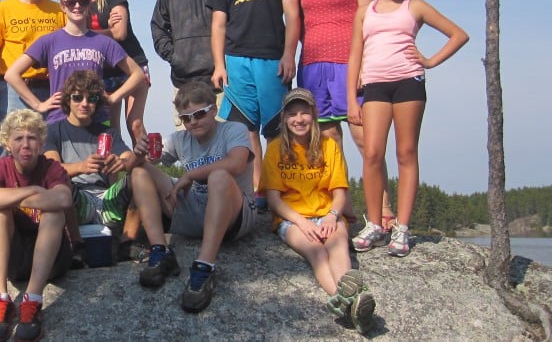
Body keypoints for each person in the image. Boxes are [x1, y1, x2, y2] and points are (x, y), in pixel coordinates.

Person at [348, 0, 468, 257]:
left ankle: (401, 227)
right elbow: (354, 56)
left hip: (408, 84)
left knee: (406, 152)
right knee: (372, 153)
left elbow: (458, 35)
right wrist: (351, 98)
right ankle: (375, 224)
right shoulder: (367, 11)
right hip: (374, 85)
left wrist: (429, 60)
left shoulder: (416, 7)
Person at [129, 80, 257, 314]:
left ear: (213, 110)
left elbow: (237, 164)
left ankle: (204, 266)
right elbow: (149, 163)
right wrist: (138, 154)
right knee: (139, 172)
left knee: (219, 176)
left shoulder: (233, 130)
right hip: (197, 209)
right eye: (186, 118)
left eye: (199, 114)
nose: (192, 122)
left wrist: (191, 175)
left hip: (233, 215)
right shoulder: (180, 139)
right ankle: (160, 251)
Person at [299, 0, 395, 228]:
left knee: (366, 141)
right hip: (312, 67)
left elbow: (372, 23)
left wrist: (365, 67)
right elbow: (298, 27)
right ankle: (346, 211)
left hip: (348, 66)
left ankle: (383, 212)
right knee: (328, 145)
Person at [258, 88, 376, 335]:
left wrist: (333, 217)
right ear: (284, 119)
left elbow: (340, 191)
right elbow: (273, 199)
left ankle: (349, 301)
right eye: (292, 114)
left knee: (338, 247)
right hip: (292, 219)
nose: (298, 119)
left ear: (313, 114)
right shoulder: (276, 148)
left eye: (304, 113)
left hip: (327, 214)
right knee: (317, 252)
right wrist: (302, 222)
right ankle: (347, 302)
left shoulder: (329, 145)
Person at [208, 0, 302, 201]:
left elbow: (293, 16)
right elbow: (218, 26)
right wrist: (219, 65)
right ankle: (257, 190)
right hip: (237, 61)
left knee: (276, 129)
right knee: (247, 130)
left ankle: (280, 189)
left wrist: (289, 54)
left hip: (273, 60)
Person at [43, 71, 163, 253]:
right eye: (77, 97)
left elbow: (126, 158)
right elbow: (52, 168)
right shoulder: (53, 131)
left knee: (140, 173)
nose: (84, 103)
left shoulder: (108, 133)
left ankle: (128, 243)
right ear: (67, 100)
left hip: (107, 198)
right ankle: (76, 246)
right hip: (76, 200)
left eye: (91, 98)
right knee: (60, 182)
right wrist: (81, 167)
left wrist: (123, 162)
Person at [0, 110, 73, 342]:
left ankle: (32, 300)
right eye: (18, 138)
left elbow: (63, 199)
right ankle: (0, 299)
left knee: (53, 213)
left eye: (31, 138)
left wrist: (9, 196)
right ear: (7, 143)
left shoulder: (52, 168)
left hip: (50, 258)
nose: (25, 145)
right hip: (14, 257)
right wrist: (33, 191)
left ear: (41, 143)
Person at [5, 0, 143, 124]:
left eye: (82, 2)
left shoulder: (104, 42)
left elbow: (138, 74)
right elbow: (11, 74)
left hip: (96, 120)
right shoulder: (49, 41)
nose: (77, 6)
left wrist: (113, 98)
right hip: (60, 120)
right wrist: (38, 105)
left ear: (89, 6)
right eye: (71, 3)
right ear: (63, 7)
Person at [0, 0, 65, 156]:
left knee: (46, 149)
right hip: (11, 91)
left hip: (49, 89)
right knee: (7, 150)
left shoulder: (58, 11)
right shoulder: (1, 9)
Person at [74, 0, 151, 144]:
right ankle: (118, 171)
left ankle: (142, 170)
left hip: (131, 64)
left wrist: (86, 33)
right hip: (104, 71)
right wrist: (106, 29)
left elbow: (120, 33)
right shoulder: (77, 0)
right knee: (112, 128)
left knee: (134, 123)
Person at [150, 0, 223, 112]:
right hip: (183, 81)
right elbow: (158, 28)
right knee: (188, 135)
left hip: (221, 81)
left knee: (224, 135)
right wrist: (176, 58)